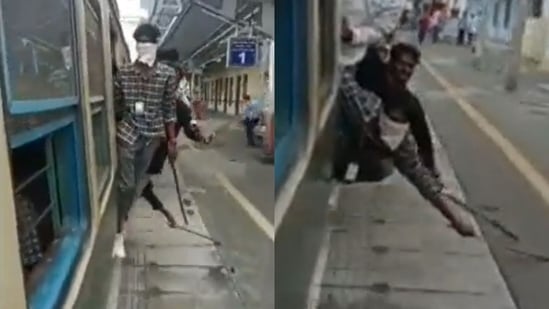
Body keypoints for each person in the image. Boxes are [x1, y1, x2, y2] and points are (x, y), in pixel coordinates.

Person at [112, 23, 179, 259]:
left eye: (148, 43)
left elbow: (169, 109)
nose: (143, 46)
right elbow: (118, 106)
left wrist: (171, 141)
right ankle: (119, 235)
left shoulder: (167, 75)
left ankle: (123, 221)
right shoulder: (124, 74)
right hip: (128, 133)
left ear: (156, 45)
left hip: (152, 137)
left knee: (138, 184)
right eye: (140, 43)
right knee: (126, 185)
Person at [355, 43, 437, 176]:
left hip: (369, 154)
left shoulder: (409, 103)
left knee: (383, 168)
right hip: (347, 135)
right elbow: (367, 47)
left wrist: (430, 167)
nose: (405, 70)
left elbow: (423, 139)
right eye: (402, 63)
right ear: (390, 62)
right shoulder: (374, 74)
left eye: (410, 66)